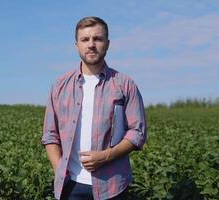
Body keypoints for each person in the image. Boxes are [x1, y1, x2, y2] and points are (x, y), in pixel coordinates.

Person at [41, 16, 147, 200]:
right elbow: (50, 134)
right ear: (77, 46)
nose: (91, 44)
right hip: (71, 185)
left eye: (97, 39)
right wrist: (59, 170)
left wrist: (106, 156)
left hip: (112, 185)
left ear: (107, 43)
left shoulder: (124, 84)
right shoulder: (60, 85)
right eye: (85, 39)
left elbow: (137, 132)